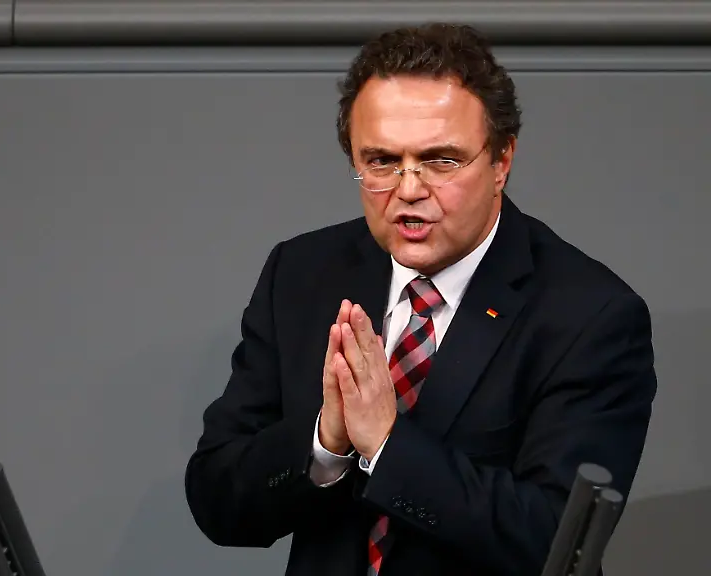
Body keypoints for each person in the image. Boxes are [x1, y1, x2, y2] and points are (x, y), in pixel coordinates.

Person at [183, 22, 657, 576]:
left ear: (501, 160)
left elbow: (552, 543)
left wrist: (387, 444)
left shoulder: (590, 316)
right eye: (382, 161)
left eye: (440, 161)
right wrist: (325, 442)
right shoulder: (302, 273)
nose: (409, 190)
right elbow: (218, 502)